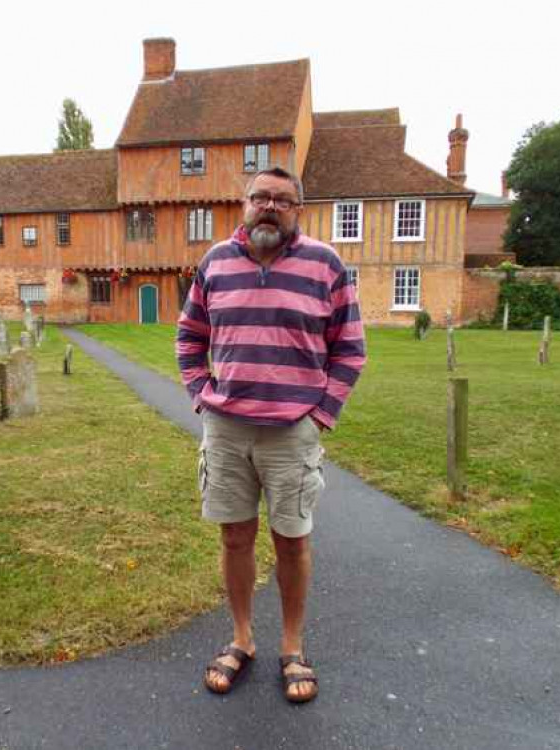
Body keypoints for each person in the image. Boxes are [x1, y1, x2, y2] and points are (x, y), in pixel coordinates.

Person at [175, 166, 365, 703]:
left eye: (282, 200)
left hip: (291, 433)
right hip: (228, 428)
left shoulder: (325, 264)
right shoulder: (215, 262)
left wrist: (321, 414)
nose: (269, 206)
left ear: (297, 210)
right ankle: (241, 639)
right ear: (244, 203)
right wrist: (200, 394)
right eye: (260, 196)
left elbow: (350, 347)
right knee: (234, 537)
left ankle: (291, 647)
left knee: (291, 540)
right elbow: (189, 337)